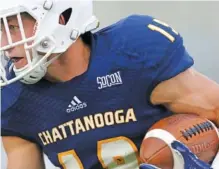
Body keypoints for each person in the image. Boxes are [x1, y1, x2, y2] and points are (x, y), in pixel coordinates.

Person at [1, 0, 219, 169]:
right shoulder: (15, 96)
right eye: (1, 30)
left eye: (13, 27)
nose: (5, 45)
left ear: (60, 18)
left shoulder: (133, 53)